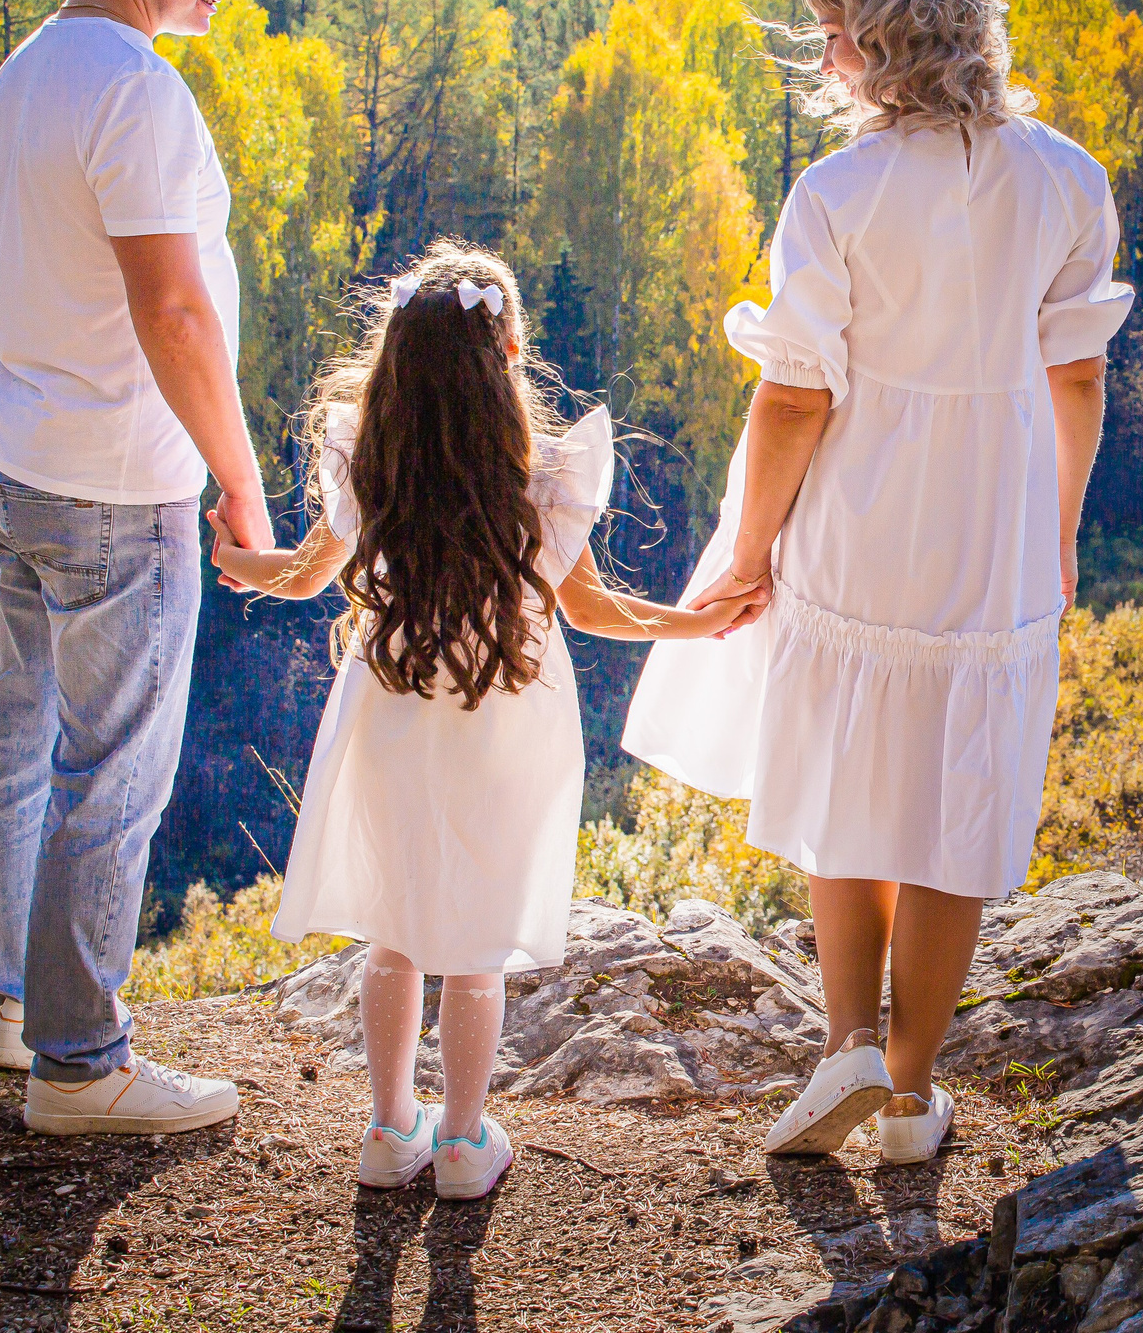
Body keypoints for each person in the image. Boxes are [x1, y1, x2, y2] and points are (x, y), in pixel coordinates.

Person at [624, 0, 1131, 1165]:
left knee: (846, 782)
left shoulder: (838, 195)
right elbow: (1076, 375)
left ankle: (849, 1036)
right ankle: (909, 1095)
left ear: (884, 39)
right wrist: (1059, 525)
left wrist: (745, 550)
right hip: (996, 516)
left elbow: (794, 400)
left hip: (859, 508)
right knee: (957, 805)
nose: (830, 55)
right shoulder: (1066, 178)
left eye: (838, 30)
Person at [212, 241, 758, 1198]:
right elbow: (590, 609)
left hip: (389, 712)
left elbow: (304, 574)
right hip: (505, 724)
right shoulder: (544, 476)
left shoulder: (366, 456)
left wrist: (245, 562)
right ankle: (464, 1143)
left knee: (397, 924)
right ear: (506, 353)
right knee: (474, 939)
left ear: (398, 365)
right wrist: (700, 622)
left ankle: (389, 1129)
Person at [0, 0, 269, 1136]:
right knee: (112, 774)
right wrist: (240, 480)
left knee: (20, 747)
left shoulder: (31, 68)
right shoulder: (134, 93)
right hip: (109, 485)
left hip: (19, 455)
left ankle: (19, 1017)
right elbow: (174, 314)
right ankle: (81, 1064)